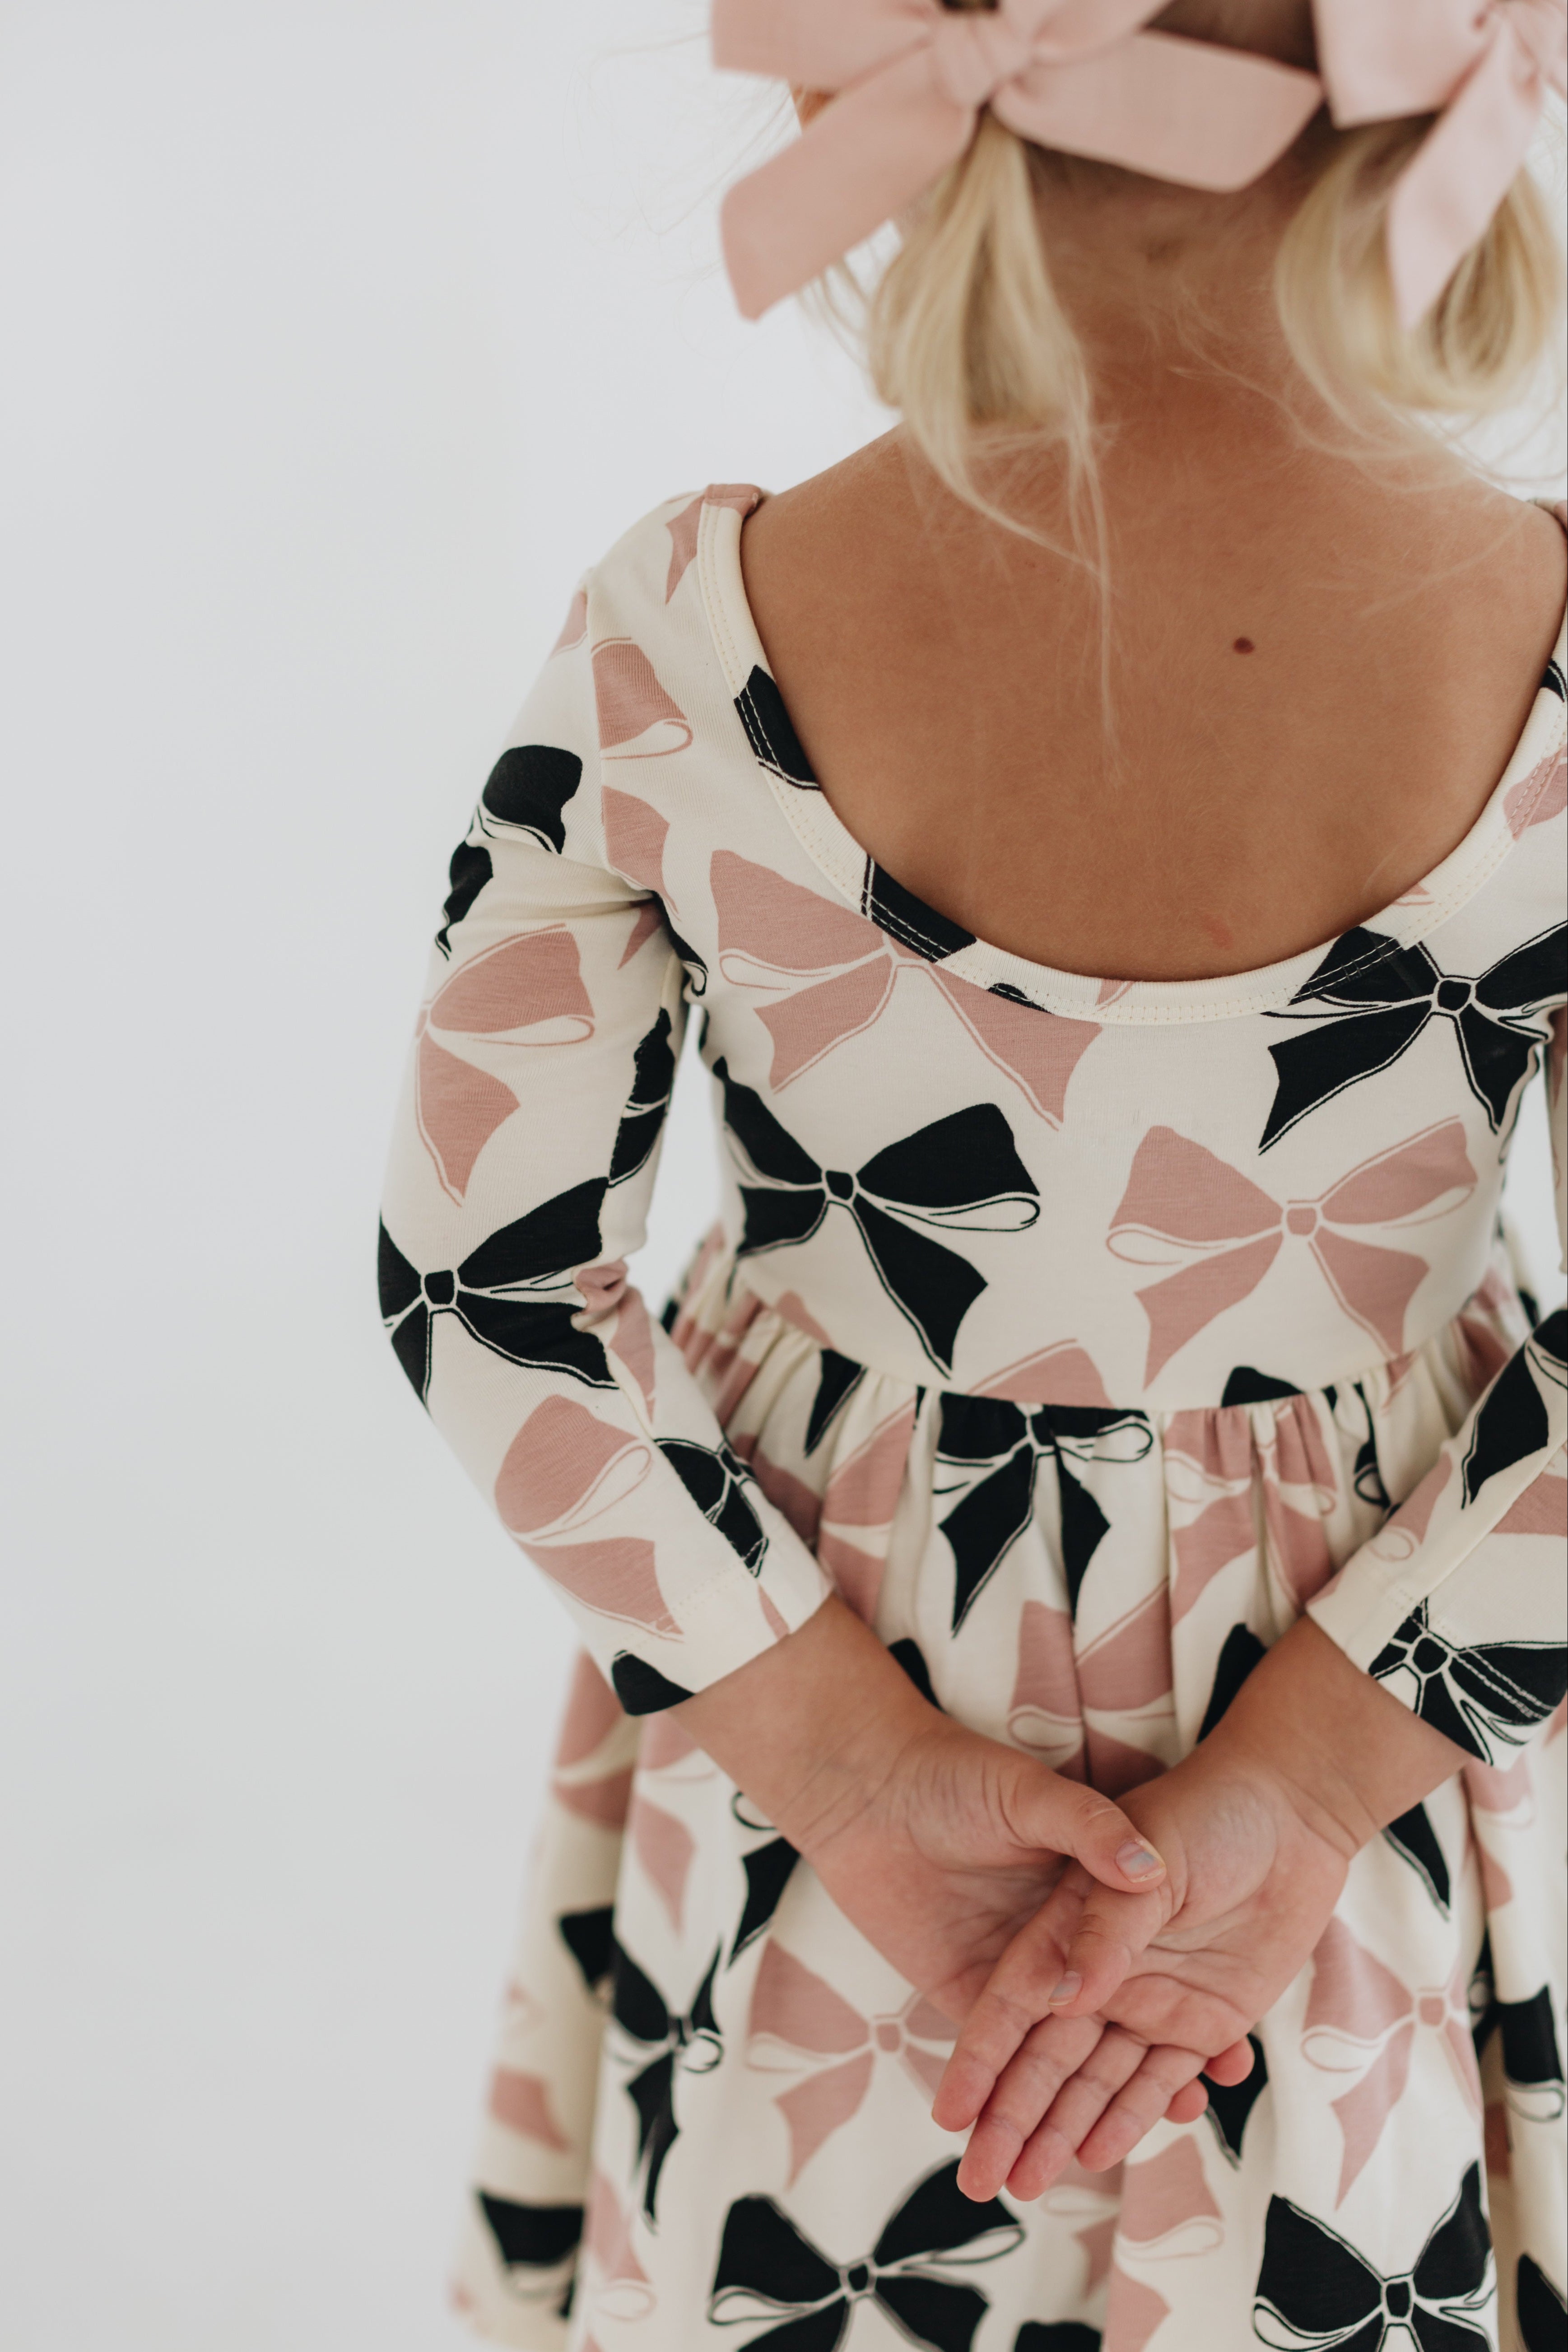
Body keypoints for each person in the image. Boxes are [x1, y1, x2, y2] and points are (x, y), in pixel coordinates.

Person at [377, 2, 1568, 2343]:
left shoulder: (687, 634)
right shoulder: (1541, 649)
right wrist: (1310, 1783)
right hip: (1370, 1710)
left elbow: (482, 1283)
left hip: (811, 1690)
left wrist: (839, 1764)